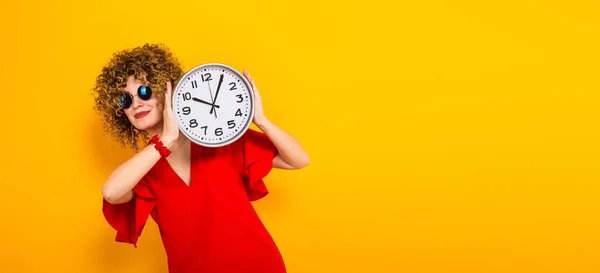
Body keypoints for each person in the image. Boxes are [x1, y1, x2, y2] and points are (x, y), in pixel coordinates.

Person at [92, 43, 310, 273]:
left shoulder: (217, 136)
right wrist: (165, 140)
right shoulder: (144, 169)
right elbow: (111, 192)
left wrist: (262, 120)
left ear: (165, 89)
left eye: (144, 91)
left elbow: (298, 160)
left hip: (257, 264)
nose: (135, 103)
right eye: (125, 100)